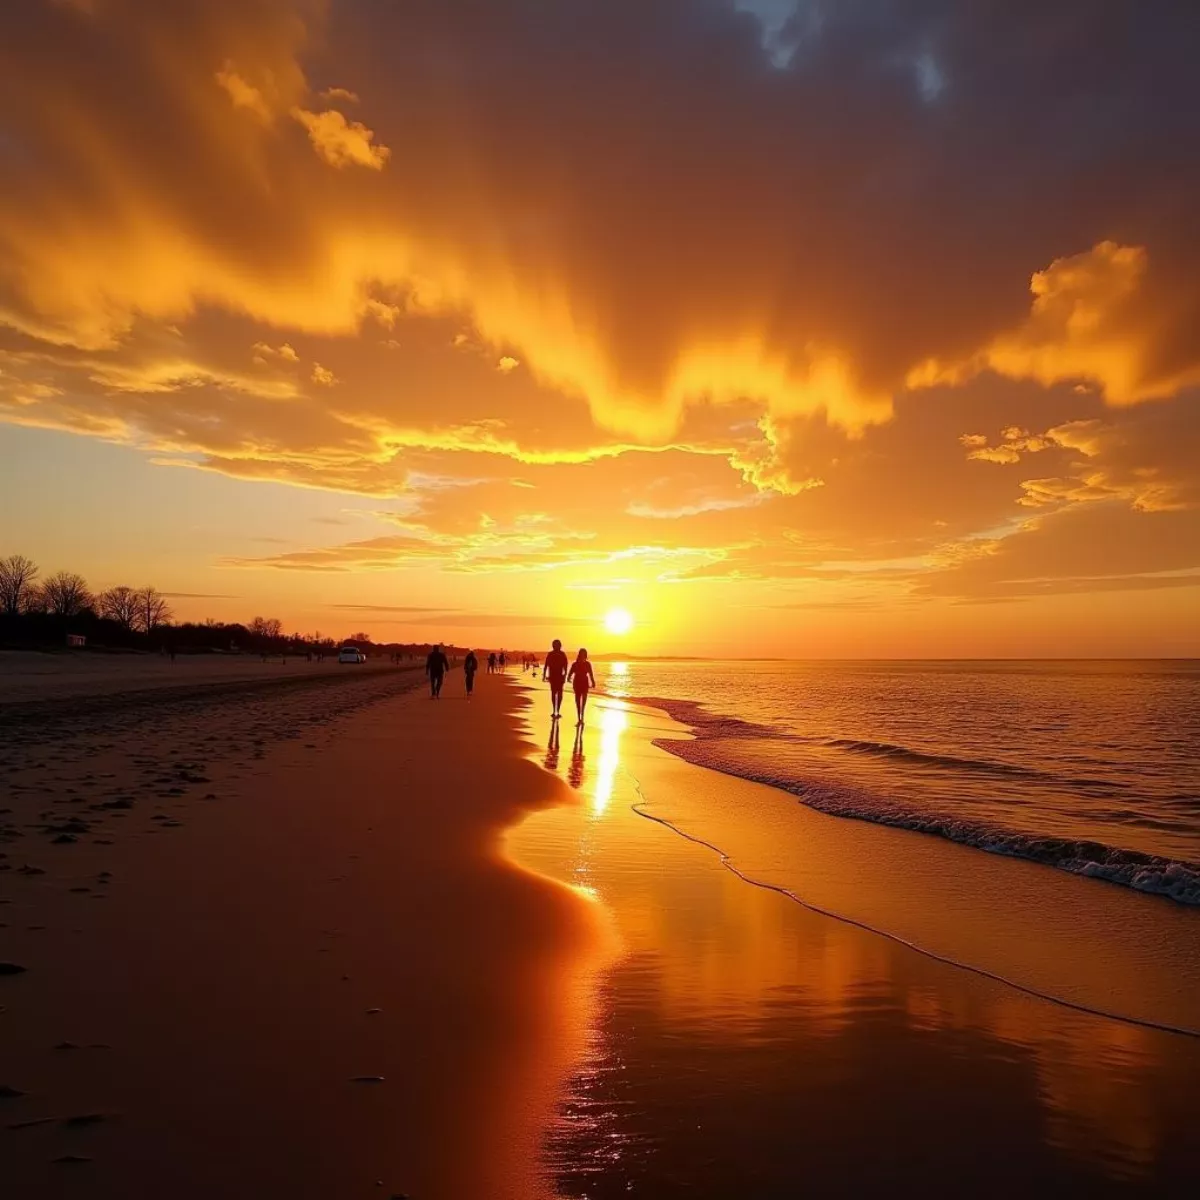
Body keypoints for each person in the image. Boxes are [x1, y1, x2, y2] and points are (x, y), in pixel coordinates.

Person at [568, 647, 596, 726]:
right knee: (577, 701)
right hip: (577, 682)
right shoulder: (575, 664)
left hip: (584, 683)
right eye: (582, 654)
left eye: (584, 654)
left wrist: (593, 682)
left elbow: (591, 674)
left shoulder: (588, 664)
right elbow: (570, 674)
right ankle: (579, 718)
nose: (583, 655)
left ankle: (582, 717)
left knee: (583, 701)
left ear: (585, 655)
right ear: (579, 654)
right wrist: (568, 678)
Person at [542, 638, 569, 719]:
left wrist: (565, 675)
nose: (556, 646)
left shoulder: (562, 654)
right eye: (555, 645)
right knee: (554, 694)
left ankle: (558, 710)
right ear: (553, 646)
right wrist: (544, 675)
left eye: (557, 645)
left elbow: (566, 665)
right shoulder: (550, 654)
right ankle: (554, 710)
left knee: (559, 694)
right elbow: (546, 665)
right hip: (553, 676)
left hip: (560, 676)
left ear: (560, 646)